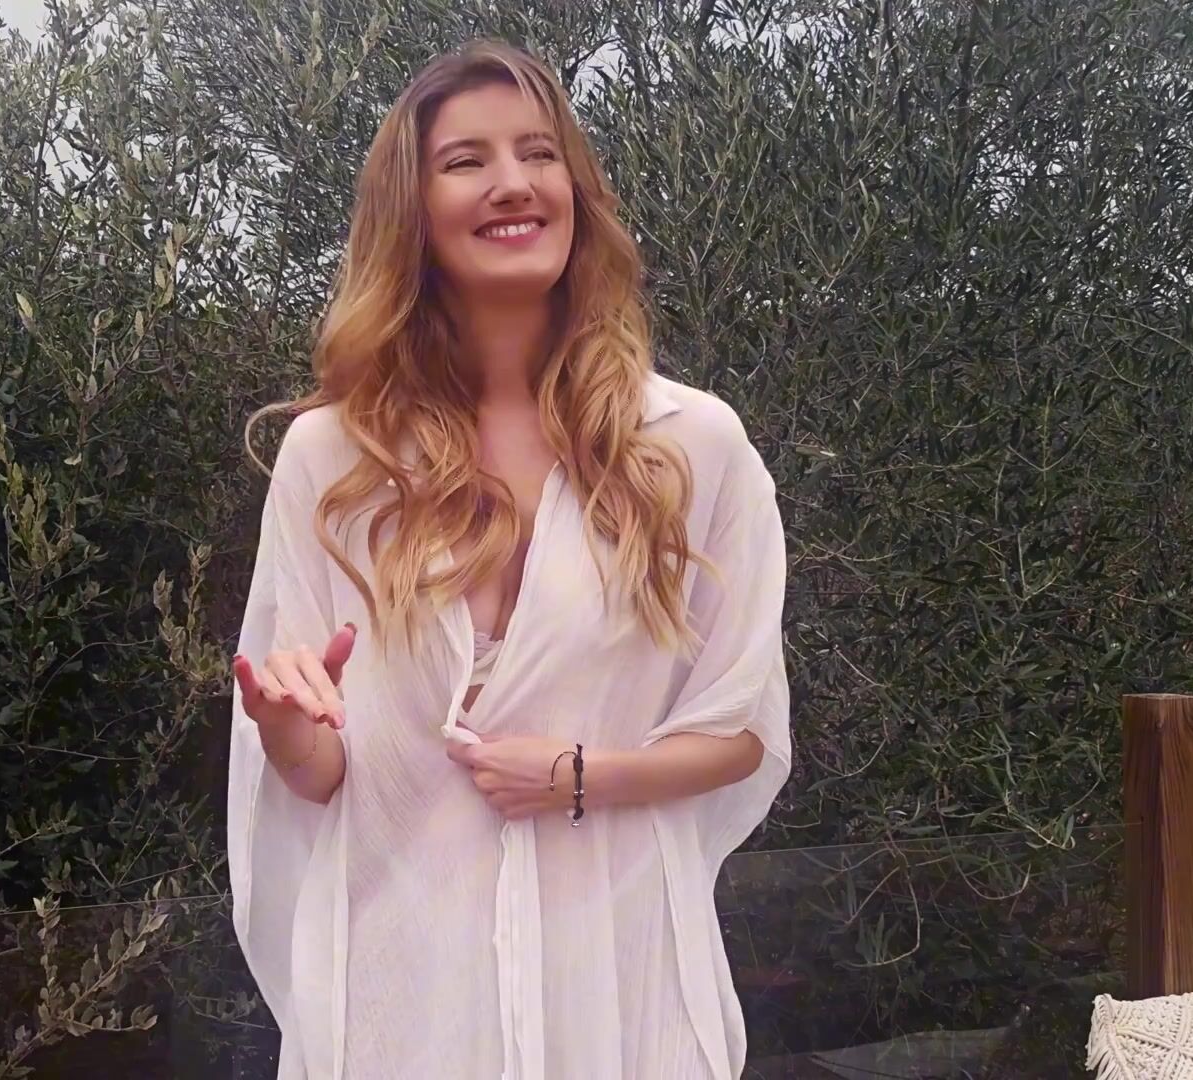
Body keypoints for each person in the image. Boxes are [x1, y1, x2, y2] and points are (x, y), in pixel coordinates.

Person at [227, 38, 791, 1080]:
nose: (514, 182)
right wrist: (285, 726)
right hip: (406, 996)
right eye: (466, 161)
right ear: (412, 211)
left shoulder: (691, 446)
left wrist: (581, 777)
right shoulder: (334, 459)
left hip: (617, 980)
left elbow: (743, 735)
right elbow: (321, 774)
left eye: (539, 153)